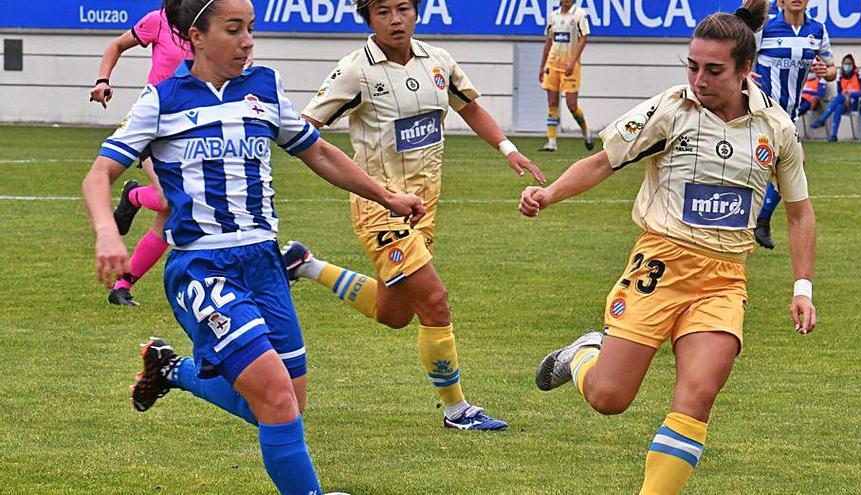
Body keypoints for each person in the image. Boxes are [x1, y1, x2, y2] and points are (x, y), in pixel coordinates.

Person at [82, 0, 424, 493]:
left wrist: (387, 195)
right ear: (196, 37)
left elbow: (320, 152)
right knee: (278, 401)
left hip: (264, 263)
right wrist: (107, 232)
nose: (248, 41)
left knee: (286, 404)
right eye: (233, 29)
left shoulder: (265, 87)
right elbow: (99, 175)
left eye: (251, 29)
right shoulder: (161, 100)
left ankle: (172, 369)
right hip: (203, 267)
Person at [519, 2, 817, 493]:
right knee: (609, 397)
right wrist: (548, 195)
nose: (699, 79)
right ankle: (583, 354)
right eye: (693, 66)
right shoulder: (670, 110)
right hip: (660, 263)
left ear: (746, 69)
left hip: (723, 279)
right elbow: (603, 161)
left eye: (714, 70)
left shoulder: (776, 128)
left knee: (697, 396)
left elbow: (799, 211)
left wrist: (802, 287)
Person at [281, 0, 544, 431]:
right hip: (379, 210)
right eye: (383, 11)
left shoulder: (437, 61)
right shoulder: (355, 71)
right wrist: (370, 185)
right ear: (368, 18)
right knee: (435, 303)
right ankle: (458, 411)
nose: (395, 19)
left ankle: (304, 264)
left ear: (416, 12)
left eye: (403, 8)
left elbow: (469, 106)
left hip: (424, 210)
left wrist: (508, 149)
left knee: (395, 313)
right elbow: (304, 128)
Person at [90, 6, 193, 306]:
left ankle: (121, 286)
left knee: (170, 210)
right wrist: (102, 80)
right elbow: (117, 45)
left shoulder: (210, 25)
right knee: (167, 200)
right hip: (154, 121)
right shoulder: (157, 20)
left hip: (189, 126)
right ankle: (134, 195)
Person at [752, 0, 835, 250]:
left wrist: (826, 70)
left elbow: (832, 70)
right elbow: (741, 57)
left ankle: (758, 219)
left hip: (791, 115)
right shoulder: (765, 28)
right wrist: (744, 74)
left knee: (785, 166)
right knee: (787, 163)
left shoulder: (817, 30)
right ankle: (757, 220)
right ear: (780, 1)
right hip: (764, 111)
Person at [538, 0, 593, 152]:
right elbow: (549, 41)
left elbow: (584, 38)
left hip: (570, 66)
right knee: (552, 102)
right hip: (553, 64)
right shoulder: (553, 16)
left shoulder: (579, 14)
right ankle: (551, 142)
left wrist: (572, 62)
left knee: (572, 105)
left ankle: (585, 131)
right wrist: (542, 66)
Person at [810, 53, 861, 142]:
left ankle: (822, 119)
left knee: (842, 96)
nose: (847, 66)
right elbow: (839, 92)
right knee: (838, 107)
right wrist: (845, 97)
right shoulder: (840, 75)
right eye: (845, 64)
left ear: (853, 64)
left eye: (849, 64)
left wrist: (851, 94)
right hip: (845, 103)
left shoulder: (858, 74)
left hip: (856, 103)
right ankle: (833, 136)